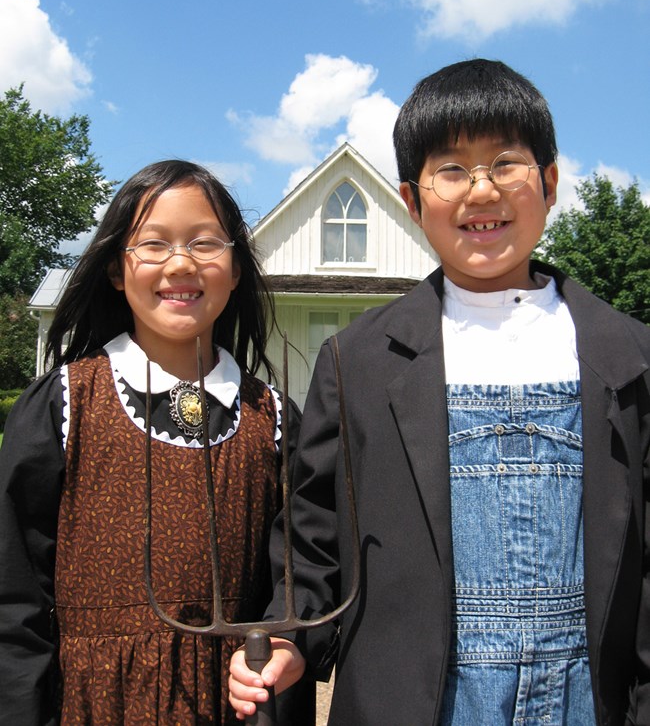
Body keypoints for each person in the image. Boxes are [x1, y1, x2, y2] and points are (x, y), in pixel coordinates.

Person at [229, 60, 650, 725]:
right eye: (451, 169)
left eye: (506, 162)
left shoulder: (627, 357)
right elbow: (310, 537)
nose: (480, 191)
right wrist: (291, 634)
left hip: (589, 698)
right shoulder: (357, 361)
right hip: (415, 700)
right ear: (411, 198)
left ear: (549, 181)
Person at [0, 159, 314, 725]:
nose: (180, 263)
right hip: (93, 704)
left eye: (205, 243)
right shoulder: (64, 404)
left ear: (237, 269)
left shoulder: (271, 417)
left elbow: (301, 568)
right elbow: (13, 599)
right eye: (153, 245)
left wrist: (284, 642)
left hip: (236, 704)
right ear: (118, 271)